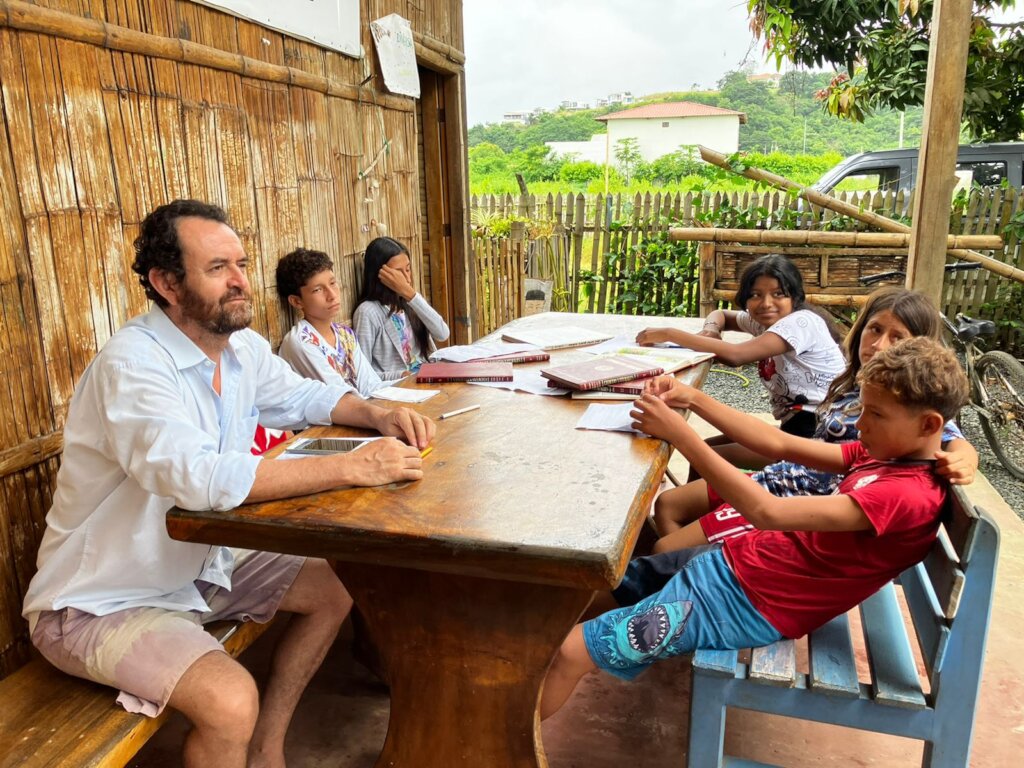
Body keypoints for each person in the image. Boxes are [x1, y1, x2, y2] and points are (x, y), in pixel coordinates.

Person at [21, 200, 435, 768]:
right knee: (231, 699)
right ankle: (244, 735)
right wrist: (354, 466)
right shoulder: (133, 365)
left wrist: (375, 413)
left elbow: (300, 395)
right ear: (166, 282)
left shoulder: (238, 347)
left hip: (195, 566)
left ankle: (266, 750)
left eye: (241, 263)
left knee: (334, 587)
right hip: (101, 600)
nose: (241, 280)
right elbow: (196, 477)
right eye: (217, 268)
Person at [540, 337, 968, 719]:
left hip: (743, 604)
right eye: (862, 410)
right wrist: (691, 398)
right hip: (732, 567)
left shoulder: (906, 494)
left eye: (875, 414)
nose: (861, 424)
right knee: (592, 594)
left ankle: (496, 745)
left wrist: (681, 436)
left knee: (572, 649)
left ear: (929, 425)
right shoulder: (884, 456)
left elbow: (767, 512)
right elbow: (779, 444)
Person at [652, 286, 980, 546]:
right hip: (785, 475)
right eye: (875, 329)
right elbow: (779, 444)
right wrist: (692, 397)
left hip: (798, 507)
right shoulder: (855, 383)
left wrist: (966, 457)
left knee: (665, 546)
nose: (879, 345)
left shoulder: (903, 406)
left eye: (898, 337)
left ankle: (689, 576)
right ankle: (683, 575)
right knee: (668, 506)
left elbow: (950, 437)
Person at [636, 254, 845, 473]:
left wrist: (670, 333)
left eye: (778, 294)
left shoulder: (800, 322)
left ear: (795, 297)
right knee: (708, 448)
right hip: (797, 425)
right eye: (755, 295)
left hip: (818, 432)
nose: (766, 303)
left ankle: (707, 506)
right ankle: (706, 504)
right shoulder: (765, 322)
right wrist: (711, 330)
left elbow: (736, 355)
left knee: (705, 455)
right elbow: (721, 315)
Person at [276, 247, 385, 397]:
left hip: (362, 413)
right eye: (318, 290)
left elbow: (371, 386)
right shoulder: (301, 342)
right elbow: (340, 397)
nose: (332, 295)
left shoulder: (345, 334)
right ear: (296, 301)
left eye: (332, 283)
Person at [353, 236, 450, 380]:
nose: (407, 279)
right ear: (381, 274)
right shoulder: (368, 312)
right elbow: (363, 374)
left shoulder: (411, 302)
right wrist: (400, 375)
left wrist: (410, 295)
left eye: (408, 269)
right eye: (399, 272)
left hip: (429, 378)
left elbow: (443, 334)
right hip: (402, 388)